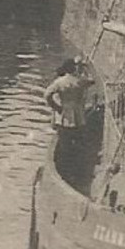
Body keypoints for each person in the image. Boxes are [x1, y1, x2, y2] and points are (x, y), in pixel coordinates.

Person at [43, 58, 93, 187]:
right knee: (78, 141)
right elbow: (91, 80)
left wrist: (56, 107)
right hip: (78, 115)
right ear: (74, 68)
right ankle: (78, 169)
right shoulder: (79, 81)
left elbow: (47, 95)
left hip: (64, 115)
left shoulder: (59, 82)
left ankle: (65, 169)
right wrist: (85, 68)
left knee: (65, 143)